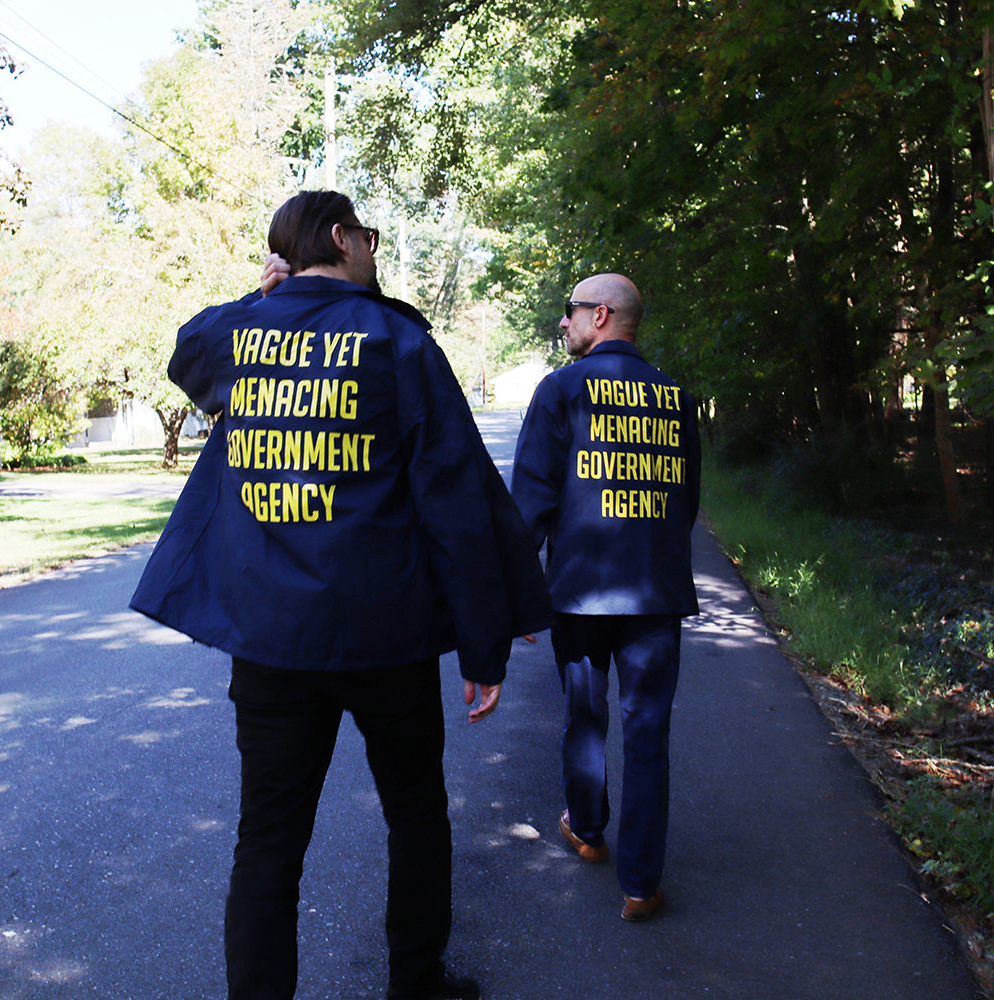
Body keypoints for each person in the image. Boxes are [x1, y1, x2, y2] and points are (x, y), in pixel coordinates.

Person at [130, 189, 552, 1000]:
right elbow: (455, 500)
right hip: (382, 636)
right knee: (416, 817)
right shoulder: (395, 340)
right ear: (341, 237)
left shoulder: (240, 337)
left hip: (272, 640)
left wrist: (262, 296)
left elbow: (191, 352)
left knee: (268, 840)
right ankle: (417, 985)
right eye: (370, 234)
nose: (374, 249)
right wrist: (485, 640)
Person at [510, 273, 700, 922]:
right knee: (648, 733)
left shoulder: (562, 390)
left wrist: (515, 597)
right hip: (655, 594)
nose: (562, 324)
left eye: (570, 314)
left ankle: (588, 832)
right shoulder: (676, 399)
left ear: (600, 315)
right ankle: (641, 886)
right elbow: (687, 504)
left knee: (585, 718)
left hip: (580, 594)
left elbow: (530, 505)